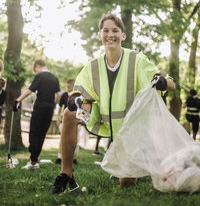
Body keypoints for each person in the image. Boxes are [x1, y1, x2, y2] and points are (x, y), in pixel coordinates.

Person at [52, 12, 175, 194]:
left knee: (126, 183)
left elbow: (170, 83)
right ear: (100, 36)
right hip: (103, 118)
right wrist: (74, 100)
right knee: (69, 113)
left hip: (133, 128)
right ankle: (66, 175)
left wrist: (163, 82)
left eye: (115, 31)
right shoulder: (92, 66)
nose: (111, 34)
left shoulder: (137, 59)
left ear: (122, 36)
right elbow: (77, 92)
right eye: (106, 31)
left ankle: (129, 169)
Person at [16, 59, 61, 169]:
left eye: (34, 70)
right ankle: (34, 160)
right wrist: (53, 105)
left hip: (40, 107)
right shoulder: (54, 78)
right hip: (50, 108)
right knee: (42, 134)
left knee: (34, 132)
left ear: (37, 66)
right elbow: (59, 95)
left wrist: (18, 100)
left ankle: (33, 160)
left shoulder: (40, 76)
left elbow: (30, 90)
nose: (35, 72)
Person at [55, 79, 79, 165]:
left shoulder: (77, 95)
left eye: (68, 86)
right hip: (64, 120)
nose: (67, 88)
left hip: (76, 119)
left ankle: (73, 158)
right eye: (66, 86)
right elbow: (60, 107)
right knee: (62, 139)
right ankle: (59, 157)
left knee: (75, 139)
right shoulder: (64, 95)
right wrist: (58, 118)